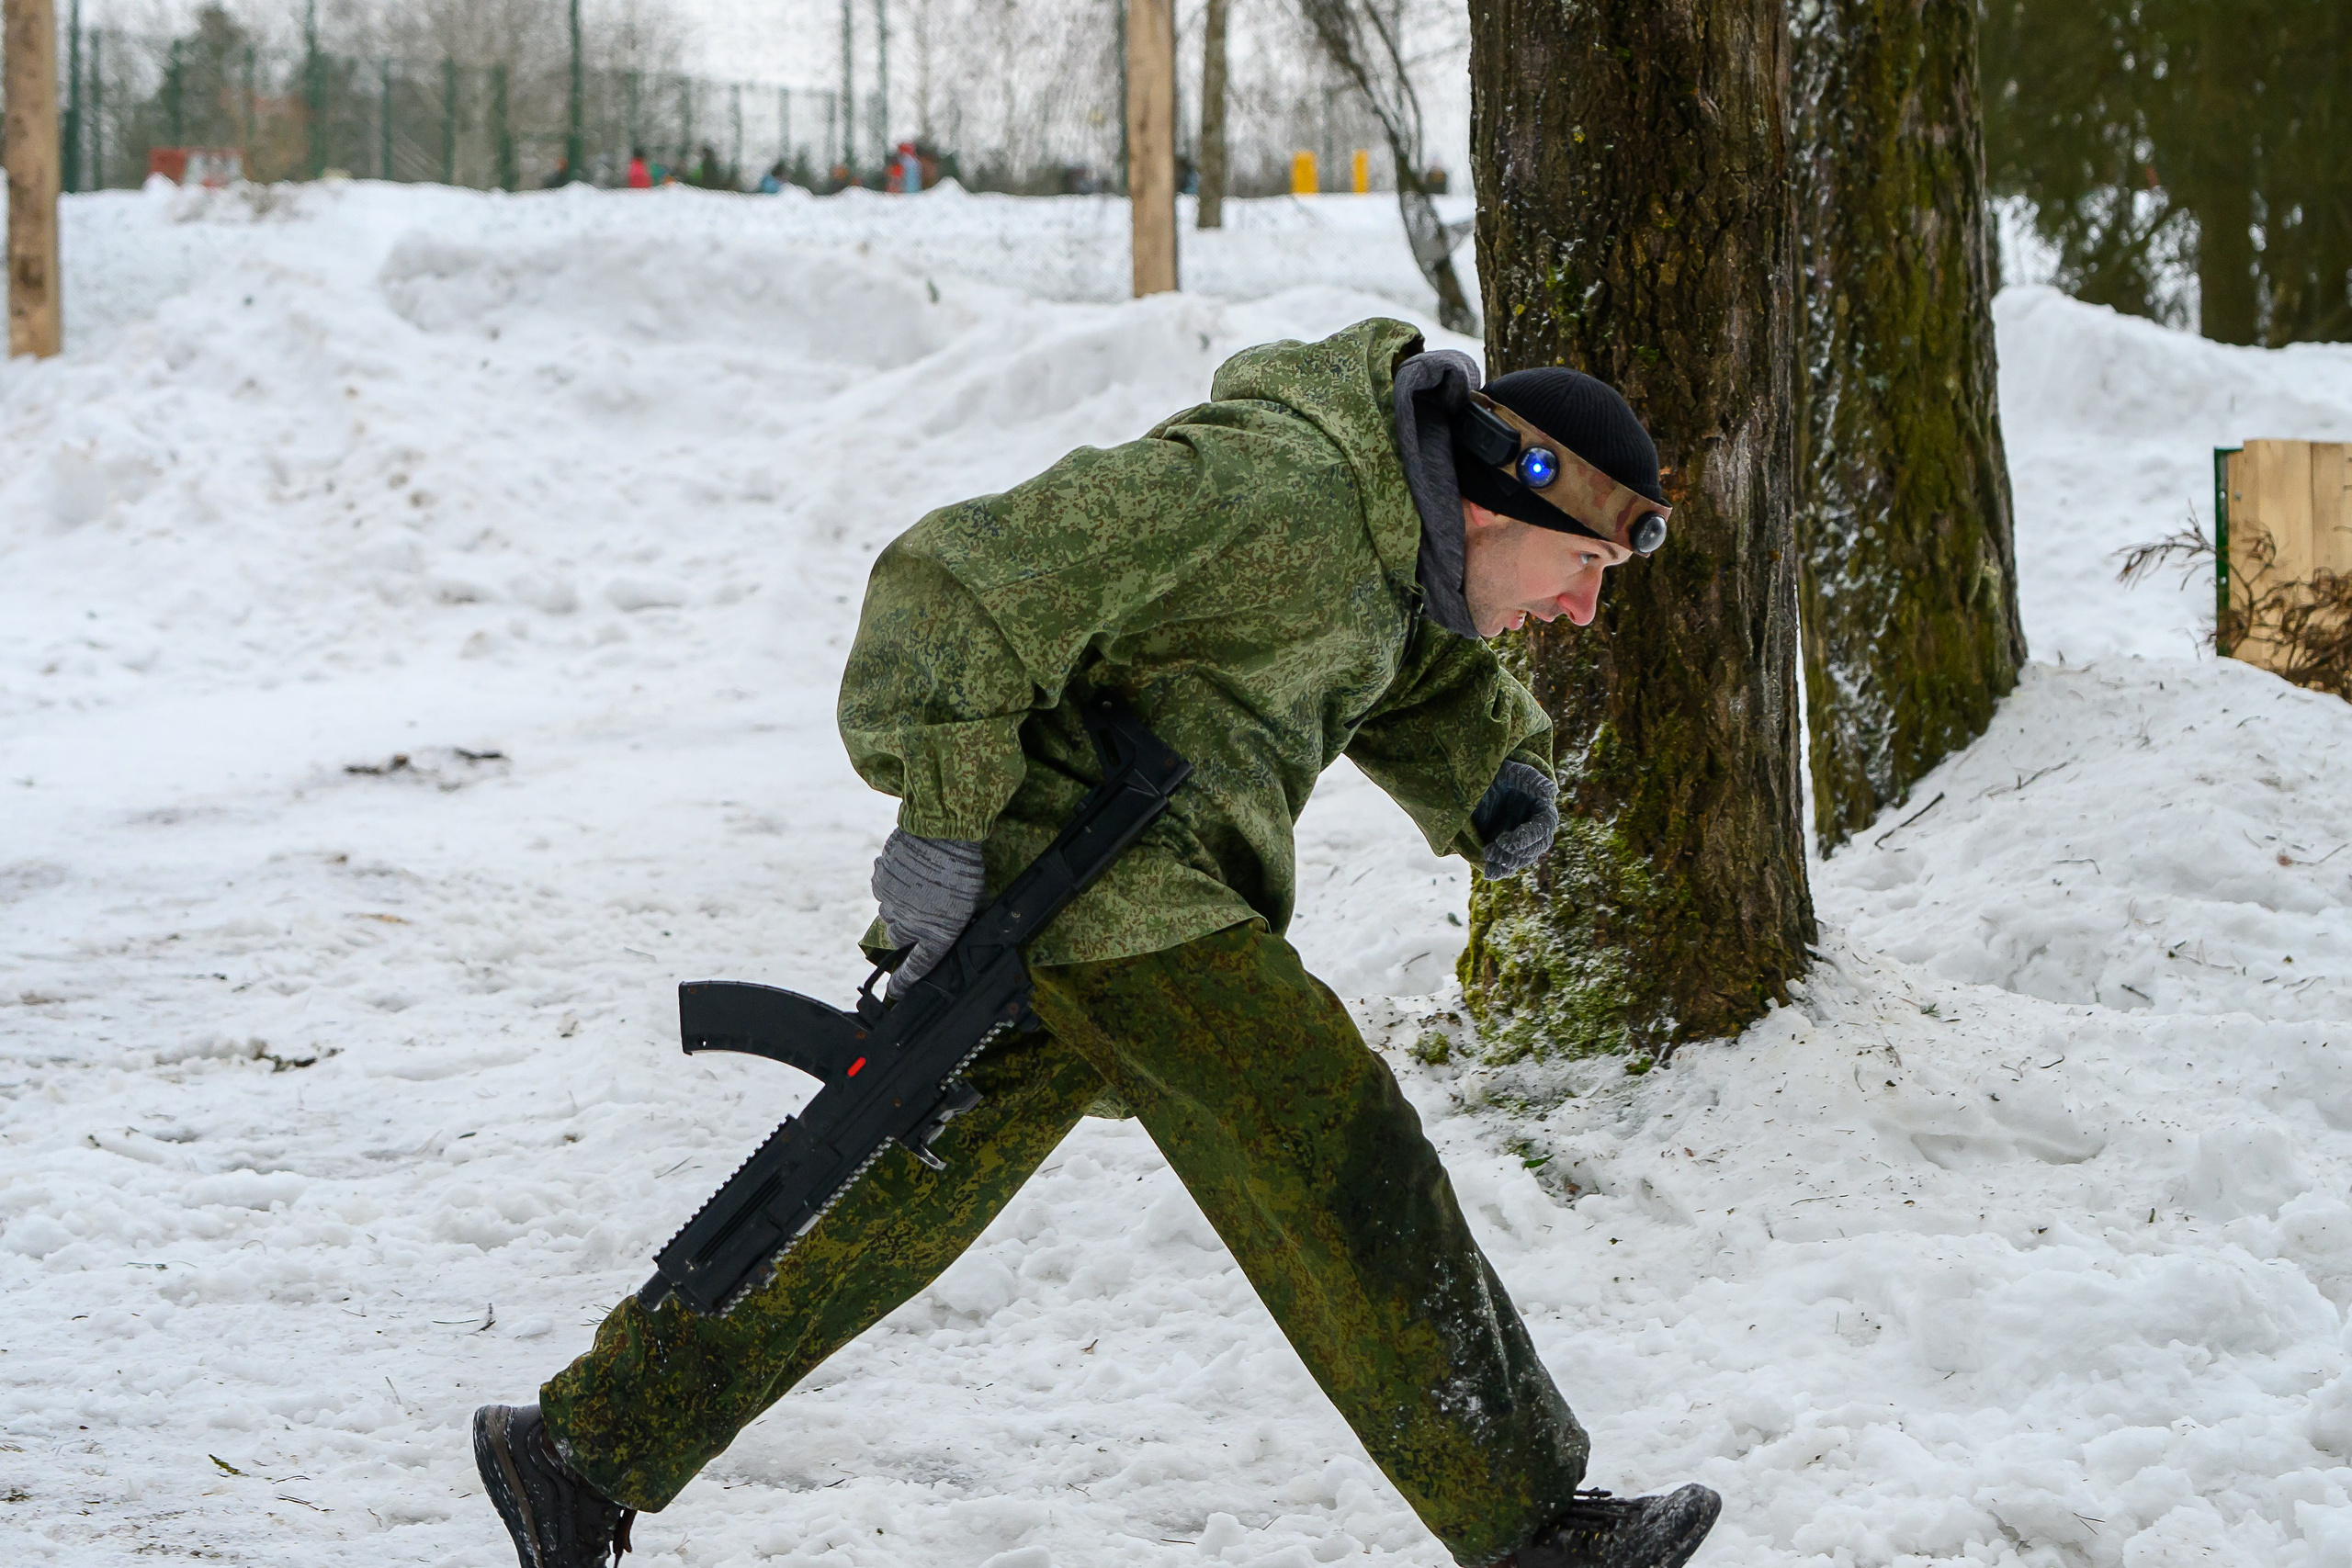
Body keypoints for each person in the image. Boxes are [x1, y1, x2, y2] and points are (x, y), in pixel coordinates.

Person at [471, 319, 1720, 1568]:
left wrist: (1491, 769)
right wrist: (943, 826)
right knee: (1335, 1142)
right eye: (1582, 563)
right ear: (1503, 498)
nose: (1582, 605)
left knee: (886, 1190)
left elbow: (1390, 658)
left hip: (1120, 892)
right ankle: (1536, 1532)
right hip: (1093, 882)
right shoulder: (1269, 484)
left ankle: (582, 1454)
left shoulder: (1398, 538)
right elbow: (964, 576)